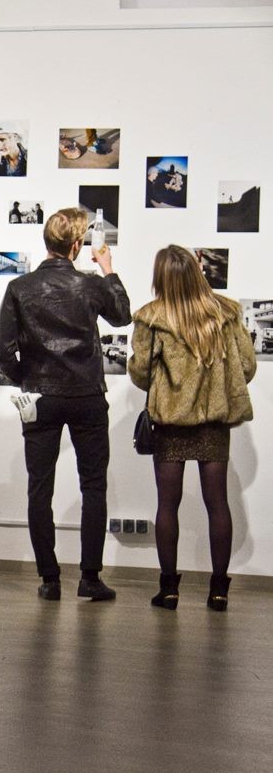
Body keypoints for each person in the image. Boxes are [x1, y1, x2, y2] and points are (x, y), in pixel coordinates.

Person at [0, 207, 132, 601]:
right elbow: (122, 316)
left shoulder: (20, 287)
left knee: (40, 488)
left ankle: (50, 579)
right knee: (94, 486)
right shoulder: (89, 285)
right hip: (87, 396)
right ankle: (90, 578)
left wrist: (26, 379)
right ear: (76, 245)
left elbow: (1, 348)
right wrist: (108, 268)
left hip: (41, 397)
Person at [127, 245, 256, 611]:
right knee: (218, 503)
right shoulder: (226, 313)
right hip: (214, 424)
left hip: (171, 424)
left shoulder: (152, 317)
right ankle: (219, 591)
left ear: (161, 277)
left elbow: (140, 373)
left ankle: (168, 589)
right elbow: (247, 367)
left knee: (167, 505)